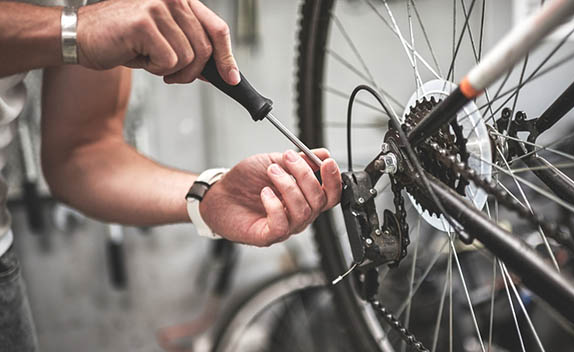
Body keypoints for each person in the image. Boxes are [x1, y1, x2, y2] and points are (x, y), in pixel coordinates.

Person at [0, 0, 342, 350]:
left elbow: (82, 154)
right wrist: (72, 29)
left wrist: (210, 194)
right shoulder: (78, 19)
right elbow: (78, 31)